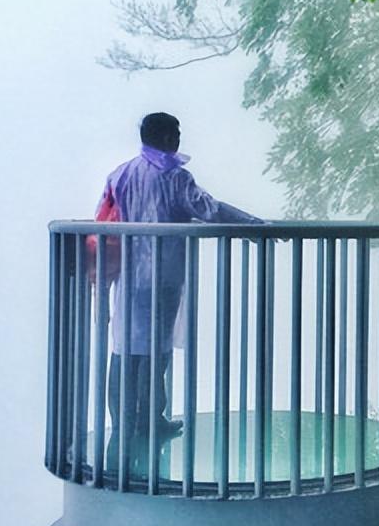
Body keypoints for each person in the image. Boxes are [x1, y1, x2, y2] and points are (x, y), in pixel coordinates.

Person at [97, 112, 263, 477]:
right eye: (176, 132)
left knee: (124, 350)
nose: (179, 138)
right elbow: (209, 209)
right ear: (166, 136)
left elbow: (104, 219)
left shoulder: (120, 174)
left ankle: (124, 425)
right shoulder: (175, 177)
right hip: (164, 277)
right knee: (156, 352)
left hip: (129, 275)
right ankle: (151, 419)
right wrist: (253, 225)